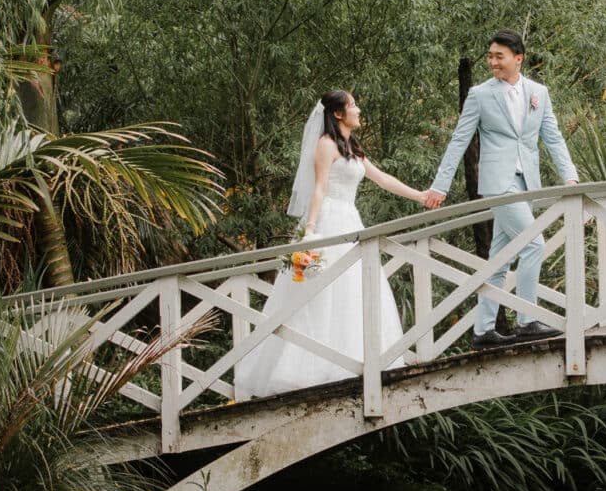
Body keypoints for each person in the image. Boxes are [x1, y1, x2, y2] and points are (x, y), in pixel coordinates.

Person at [235, 90, 432, 400]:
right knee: (321, 296)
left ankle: (354, 363)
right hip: (329, 220)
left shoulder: (352, 147)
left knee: (352, 293)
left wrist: (420, 195)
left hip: (350, 221)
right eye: (353, 105)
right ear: (338, 113)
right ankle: (312, 369)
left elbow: (382, 179)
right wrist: (310, 232)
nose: (358, 109)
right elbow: (320, 188)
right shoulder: (326, 145)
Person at [424, 31, 579, 348]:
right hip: (498, 182)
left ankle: (483, 330)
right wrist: (440, 185)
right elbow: (459, 141)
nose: (492, 61)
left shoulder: (539, 92)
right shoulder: (480, 95)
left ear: (518, 58)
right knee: (534, 243)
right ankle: (526, 320)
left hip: (527, 183)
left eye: (499, 56)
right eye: (490, 55)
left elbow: (553, 137)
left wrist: (570, 177)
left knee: (500, 258)